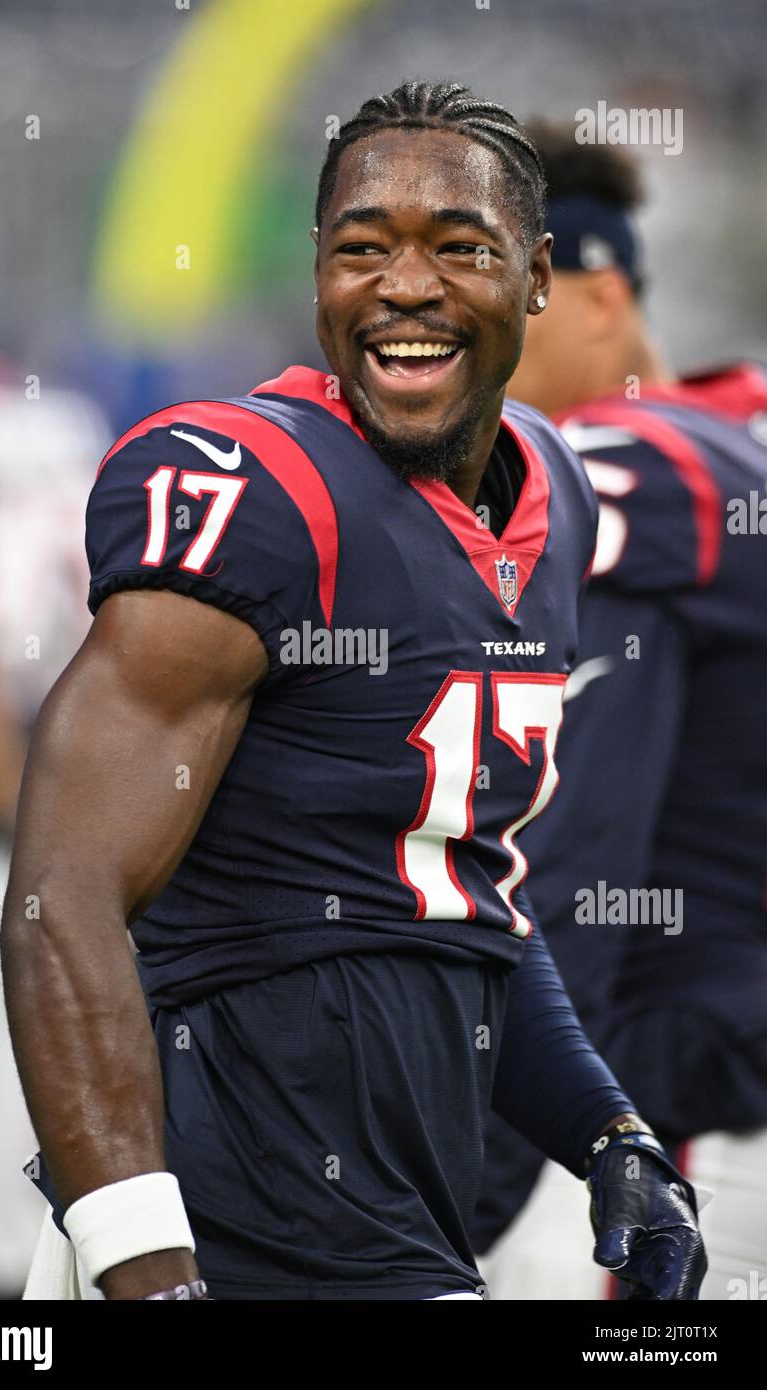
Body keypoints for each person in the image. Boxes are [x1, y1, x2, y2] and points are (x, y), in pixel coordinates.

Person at [1, 80, 704, 1302]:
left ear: (535, 278)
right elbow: (63, 898)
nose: (405, 287)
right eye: (361, 249)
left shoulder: (552, 488)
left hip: (397, 1214)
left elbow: (453, 885)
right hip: (228, 1217)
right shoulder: (256, 486)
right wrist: (139, 1255)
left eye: (458, 249)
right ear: (317, 271)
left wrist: (605, 1134)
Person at [473, 123, 767, 1301]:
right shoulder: (727, 432)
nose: (460, 341)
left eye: (500, 298)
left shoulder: (612, 457)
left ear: (591, 292)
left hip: (669, 1109)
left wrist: (476, 1170)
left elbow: (557, 851)